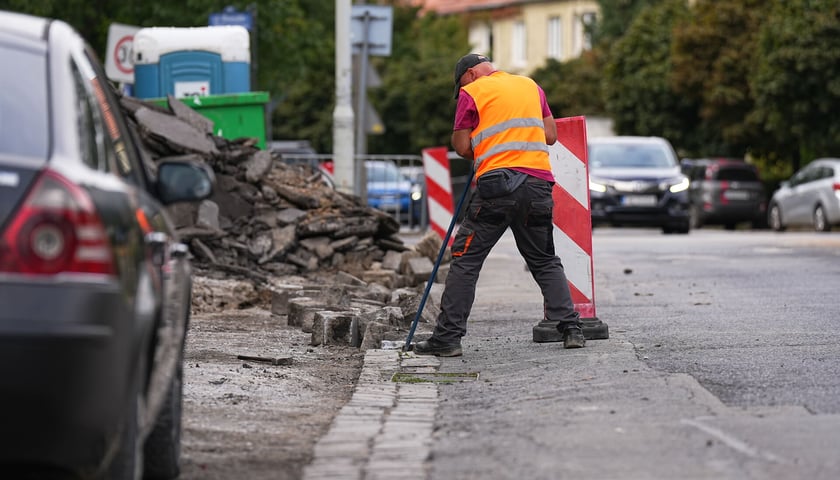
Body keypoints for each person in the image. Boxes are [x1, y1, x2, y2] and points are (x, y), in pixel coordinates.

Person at [414, 53, 585, 357]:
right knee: (544, 259)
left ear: (469, 75)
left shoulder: (472, 93)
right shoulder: (531, 86)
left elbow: (463, 146)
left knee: (466, 260)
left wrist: (485, 147)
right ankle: (571, 329)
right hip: (537, 185)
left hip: (497, 186)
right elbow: (550, 135)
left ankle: (447, 338)